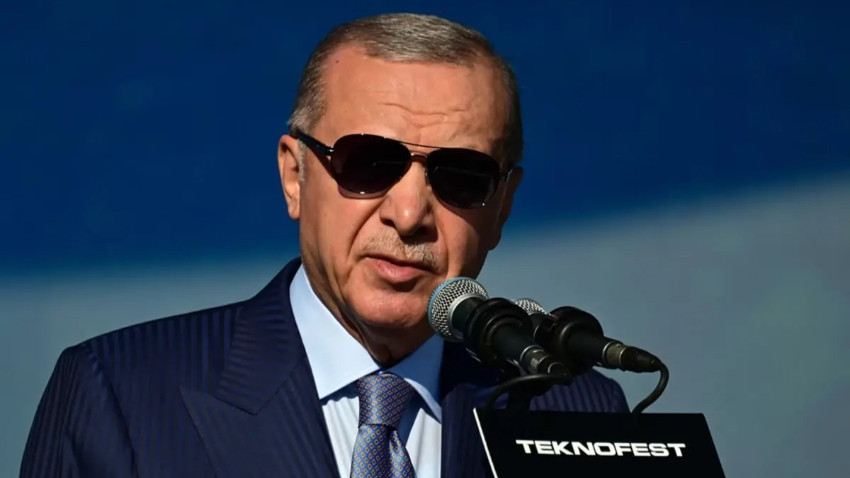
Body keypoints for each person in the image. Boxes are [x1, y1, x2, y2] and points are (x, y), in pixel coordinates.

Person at [21, 13, 628, 478]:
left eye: (461, 178)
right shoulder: (119, 393)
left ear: (502, 207)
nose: (408, 215)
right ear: (295, 176)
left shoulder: (576, 410)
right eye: (369, 163)